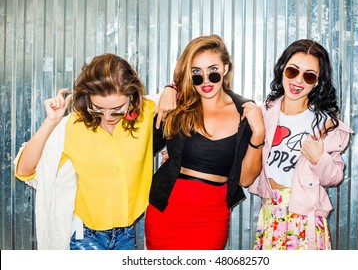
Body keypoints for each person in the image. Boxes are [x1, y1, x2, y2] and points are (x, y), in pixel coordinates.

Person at [14, 53, 156, 250]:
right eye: (98, 108)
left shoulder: (147, 112)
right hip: (86, 235)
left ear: (131, 97)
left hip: (130, 233)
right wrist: (51, 122)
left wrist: (171, 89)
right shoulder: (73, 126)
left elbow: (188, 93)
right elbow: (25, 170)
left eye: (117, 109)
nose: (108, 117)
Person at [145, 34, 265, 250]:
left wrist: (259, 135)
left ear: (225, 68)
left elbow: (246, 179)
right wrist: (166, 91)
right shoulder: (177, 106)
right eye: (197, 74)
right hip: (166, 212)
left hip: (212, 218)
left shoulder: (245, 112)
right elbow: (144, 147)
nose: (206, 81)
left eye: (213, 71)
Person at [248, 39, 353, 250]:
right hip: (270, 215)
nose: (298, 81)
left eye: (309, 75)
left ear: (317, 82)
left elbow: (334, 177)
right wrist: (172, 88)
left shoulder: (325, 124)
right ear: (281, 70)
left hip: (306, 219)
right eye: (292, 71)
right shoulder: (263, 114)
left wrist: (319, 159)